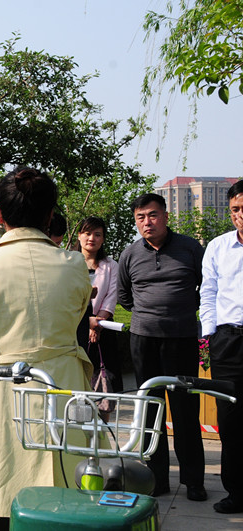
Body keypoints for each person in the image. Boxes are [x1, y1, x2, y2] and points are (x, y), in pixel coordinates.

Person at [0, 166, 92, 531]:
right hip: (64, 394)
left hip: (1, 397)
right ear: (50, 214)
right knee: (64, 507)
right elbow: (76, 320)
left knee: (1, 505)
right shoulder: (74, 265)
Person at [117, 192, 206, 501]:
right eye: (140, 217)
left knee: (185, 410)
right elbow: (124, 296)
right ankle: (157, 480)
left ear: (166, 216)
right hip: (144, 340)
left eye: (153, 215)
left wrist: (181, 309)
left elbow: (206, 286)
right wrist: (149, 314)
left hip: (182, 339)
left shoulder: (190, 248)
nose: (147, 222)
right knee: (150, 410)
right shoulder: (130, 254)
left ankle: (194, 481)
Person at [199, 179, 243, 514]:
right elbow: (208, 294)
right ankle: (236, 491)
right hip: (228, 343)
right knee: (230, 421)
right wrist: (209, 337)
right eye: (235, 210)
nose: (240, 215)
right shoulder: (218, 247)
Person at [76, 217, 122, 394]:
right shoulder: (68, 263)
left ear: (103, 239)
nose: (91, 238)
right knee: (78, 378)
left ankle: (105, 411)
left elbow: (111, 296)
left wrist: (97, 323)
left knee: (106, 381)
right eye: (87, 233)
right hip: (75, 328)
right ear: (79, 235)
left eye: (97, 234)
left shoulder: (111, 266)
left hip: (104, 328)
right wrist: (88, 322)